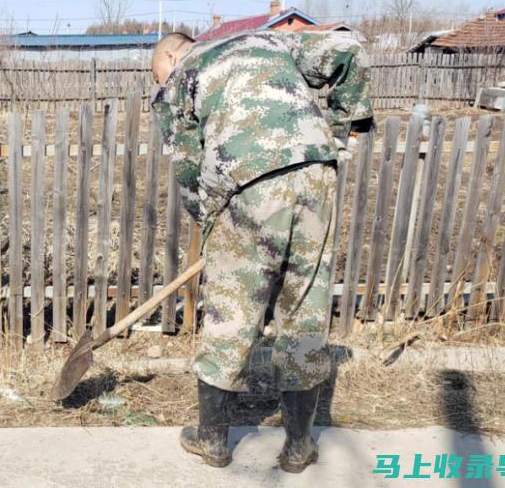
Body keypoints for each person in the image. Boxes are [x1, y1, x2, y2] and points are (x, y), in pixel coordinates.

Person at [150, 30, 373, 473]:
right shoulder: (268, 41)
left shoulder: (183, 75)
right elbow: (350, 48)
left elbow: (187, 163)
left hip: (245, 183)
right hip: (315, 172)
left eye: (158, 73)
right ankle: (298, 447)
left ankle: (213, 439)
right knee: (305, 306)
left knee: (233, 312)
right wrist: (341, 130)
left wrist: (211, 220)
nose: (160, 82)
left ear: (173, 55)